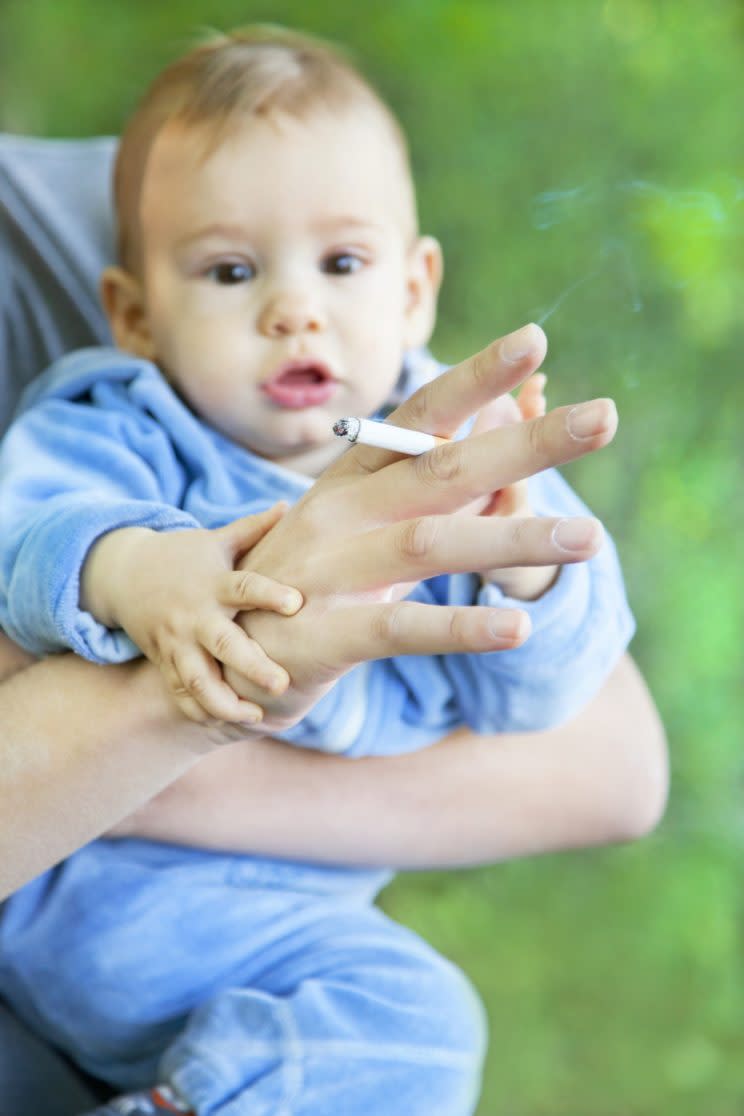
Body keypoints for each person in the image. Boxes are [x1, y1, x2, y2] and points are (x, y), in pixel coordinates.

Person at [0, 29, 668, 1116]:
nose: (294, 309)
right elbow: (27, 536)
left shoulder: (457, 455)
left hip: (279, 926)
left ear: (415, 291)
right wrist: (138, 572)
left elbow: (551, 708)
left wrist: (525, 573)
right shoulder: (121, 419)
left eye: (343, 265)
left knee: (417, 1019)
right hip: (82, 888)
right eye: (231, 271)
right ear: (132, 314)